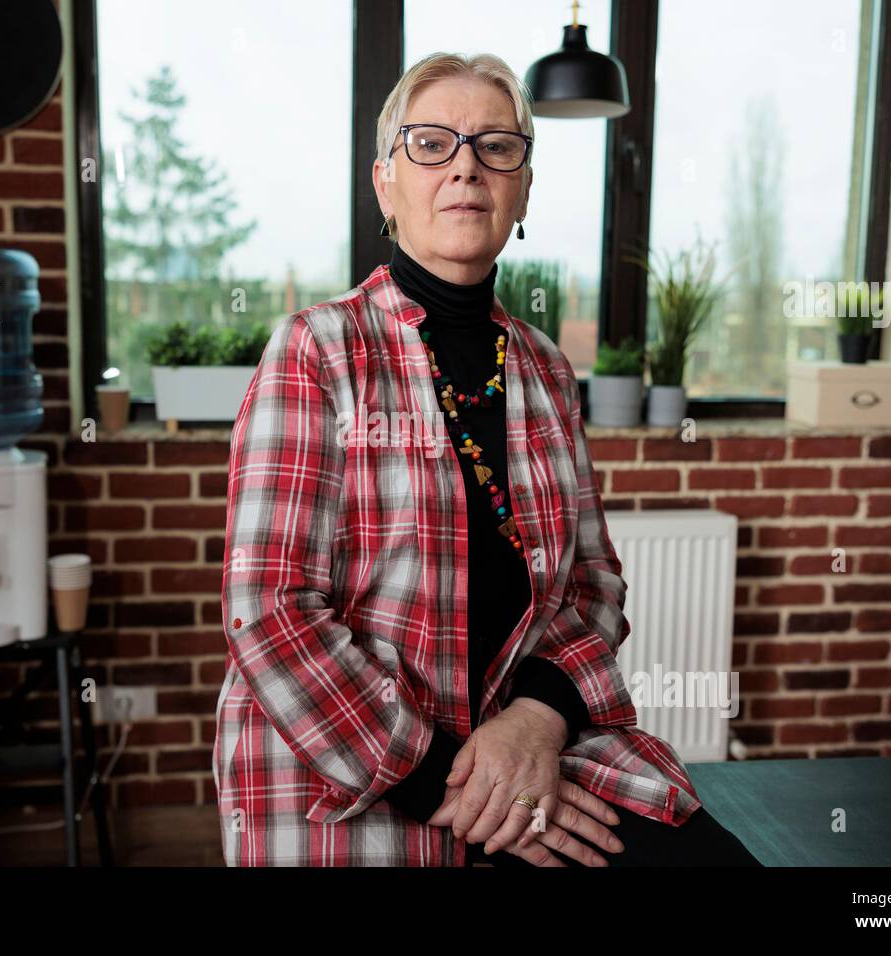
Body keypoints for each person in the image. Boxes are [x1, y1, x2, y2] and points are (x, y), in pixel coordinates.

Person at [213, 50, 760, 867]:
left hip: (532, 753)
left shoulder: (544, 369)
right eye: (432, 144)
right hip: (352, 777)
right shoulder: (317, 351)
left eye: (497, 146)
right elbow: (271, 608)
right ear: (384, 182)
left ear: (524, 188)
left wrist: (538, 721)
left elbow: (594, 586)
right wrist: (448, 784)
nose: (466, 167)